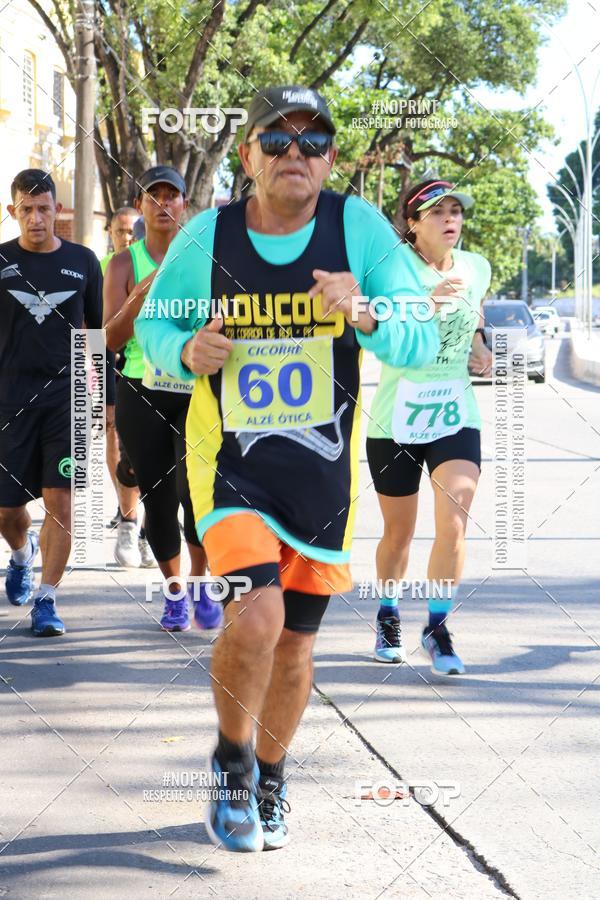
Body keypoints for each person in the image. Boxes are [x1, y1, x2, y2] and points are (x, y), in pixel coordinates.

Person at [136, 86, 440, 852]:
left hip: (321, 480)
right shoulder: (208, 236)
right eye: (276, 140)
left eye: (312, 142)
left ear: (331, 158)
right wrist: (185, 349)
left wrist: (365, 309)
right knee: (256, 618)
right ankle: (232, 763)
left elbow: (422, 335)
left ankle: (270, 775)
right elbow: (152, 326)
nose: (294, 154)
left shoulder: (357, 228)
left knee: (297, 646)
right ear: (248, 156)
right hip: (229, 466)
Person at [366, 179, 492, 674]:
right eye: (438, 211)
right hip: (396, 417)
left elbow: (474, 314)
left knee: (455, 519)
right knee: (398, 534)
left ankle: (437, 628)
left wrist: (479, 346)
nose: (450, 219)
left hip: (454, 411)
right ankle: (388, 614)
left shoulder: (476, 267)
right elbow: (378, 330)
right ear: (413, 223)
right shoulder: (390, 270)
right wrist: (426, 305)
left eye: (455, 210)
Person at [103, 165, 221, 632]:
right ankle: (174, 594)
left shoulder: (203, 257)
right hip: (141, 391)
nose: (164, 204)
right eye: (154, 196)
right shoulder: (122, 264)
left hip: (197, 391)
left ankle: (199, 582)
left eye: (172, 196)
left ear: (184, 205)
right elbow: (109, 338)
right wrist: (140, 296)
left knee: (198, 494)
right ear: (141, 205)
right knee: (158, 497)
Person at [0, 168, 115, 635]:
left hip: (67, 401)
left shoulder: (83, 261)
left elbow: (96, 335)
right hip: (8, 401)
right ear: (13, 211)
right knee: (6, 511)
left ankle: (46, 600)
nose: (36, 218)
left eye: (43, 208)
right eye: (26, 209)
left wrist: (105, 401)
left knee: (60, 503)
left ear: (57, 210)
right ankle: (21, 554)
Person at [100, 206, 155, 568]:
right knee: (119, 444)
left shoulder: (170, 261)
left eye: (132, 232)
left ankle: (150, 528)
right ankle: (127, 515)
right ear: (110, 232)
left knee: (162, 460)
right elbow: (95, 327)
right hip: (115, 367)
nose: (127, 237)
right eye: (120, 231)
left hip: (164, 373)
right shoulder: (108, 266)